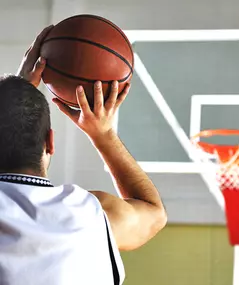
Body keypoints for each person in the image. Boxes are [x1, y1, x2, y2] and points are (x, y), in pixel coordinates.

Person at [0, 26, 167, 285]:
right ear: (49, 142)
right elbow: (153, 214)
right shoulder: (93, 216)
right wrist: (103, 135)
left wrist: (19, 91)